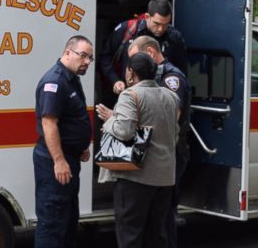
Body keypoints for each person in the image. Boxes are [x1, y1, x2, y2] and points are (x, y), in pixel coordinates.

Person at [96, 52, 179, 248]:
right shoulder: (171, 96)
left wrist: (110, 120)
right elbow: (173, 133)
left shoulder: (130, 95)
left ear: (130, 73)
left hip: (136, 177)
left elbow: (124, 131)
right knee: (156, 234)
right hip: (165, 177)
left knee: (130, 235)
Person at [129, 36, 190, 248]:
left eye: (136, 59)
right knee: (154, 220)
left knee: (164, 218)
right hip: (158, 153)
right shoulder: (157, 76)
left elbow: (169, 117)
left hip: (168, 152)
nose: (132, 68)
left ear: (151, 53)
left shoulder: (171, 78)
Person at [33, 35, 94, 248]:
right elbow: (49, 123)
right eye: (83, 55)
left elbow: (70, 119)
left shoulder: (71, 78)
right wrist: (59, 160)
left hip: (70, 157)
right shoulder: (55, 81)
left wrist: (81, 146)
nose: (87, 61)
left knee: (67, 220)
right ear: (67, 52)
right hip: (55, 162)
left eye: (90, 58)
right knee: (52, 222)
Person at [98, 0, 187, 100]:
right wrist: (115, 80)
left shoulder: (175, 38)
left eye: (166, 24)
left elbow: (181, 71)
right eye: (157, 24)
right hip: (127, 94)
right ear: (147, 17)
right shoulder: (127, 30)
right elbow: (105, 59)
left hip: (159, 99)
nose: (161, 29)